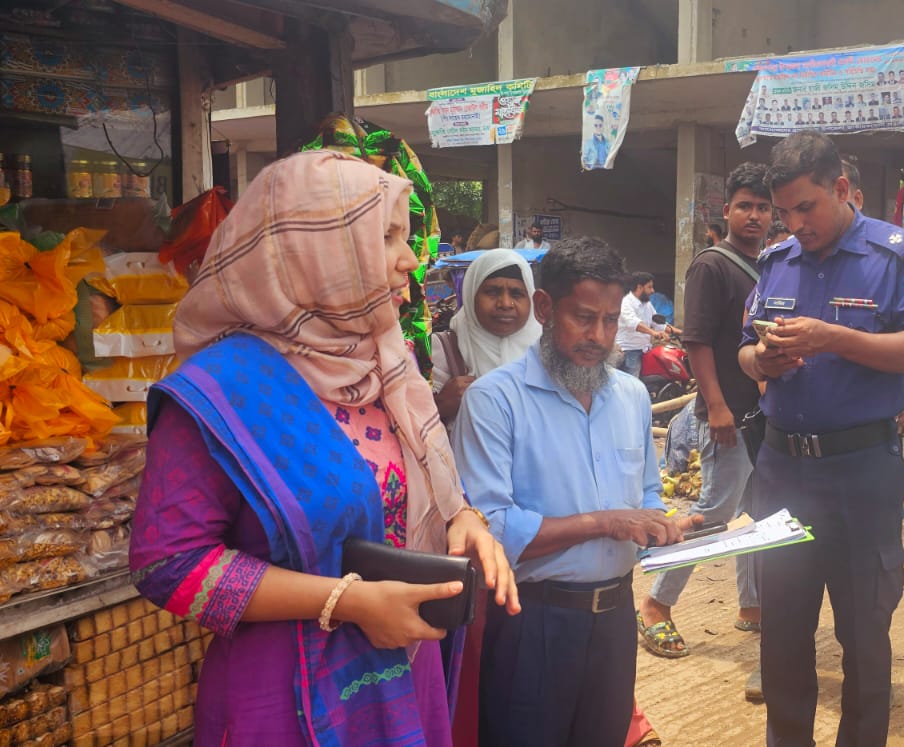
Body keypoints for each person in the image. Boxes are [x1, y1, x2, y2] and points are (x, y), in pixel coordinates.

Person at [129, 150, 519, 746]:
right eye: (386, 237)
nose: (410, 260)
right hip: (285, 697)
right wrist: (348, 601)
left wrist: (463, 518)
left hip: (404, 676)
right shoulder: (221, 391)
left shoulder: (387, 365)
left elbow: (425, 485)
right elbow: (170, 566)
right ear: (312, 249)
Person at [455, 237, 701, 747]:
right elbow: (490, 529)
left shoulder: (631, 397)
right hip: (530, 622)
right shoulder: (494, 401)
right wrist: (607, 523)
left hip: (614, 620)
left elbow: (646, 495)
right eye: (584, 318)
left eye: (610, 320)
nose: (599, 336)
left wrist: (660, 526)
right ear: (545, 309)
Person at [738, 131, 904, 747]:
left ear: (843, 189)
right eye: (785, 213)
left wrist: (833, 338)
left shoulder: (898, 257)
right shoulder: (777, 261)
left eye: (807, 207)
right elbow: (745, 349)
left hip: (860, 473)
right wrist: (762, 362)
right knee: (783, 629)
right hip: (783, 470)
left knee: (863, 630)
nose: (795, 224)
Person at [637, 164, 769, 668]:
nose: (754, 216)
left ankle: (752, 605)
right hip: (727, 413)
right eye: (745, 206)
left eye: (763, 208)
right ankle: (656, 604)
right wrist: (715, 406)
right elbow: (697, 341)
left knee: (760, 514)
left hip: (760, 416)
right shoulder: (712, 266)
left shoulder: (768, 264)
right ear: (727, 210)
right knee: (714, 513)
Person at [432, 249, 542, 423]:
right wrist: (441, 404)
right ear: (471, 296)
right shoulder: (444, 349)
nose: (505, 304)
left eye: (517, 294)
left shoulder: (546, 350)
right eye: (492, 292)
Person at [616, 272, 678, 378]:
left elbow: (658, 323)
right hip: (630, 351)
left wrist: (681, 333)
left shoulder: (647, 304)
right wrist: (653, 332)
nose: (652, 291)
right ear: (639, 287)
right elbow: (634, 323)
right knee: (634, 383)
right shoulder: (626, 303)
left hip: (645, 349)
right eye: (649, 287)